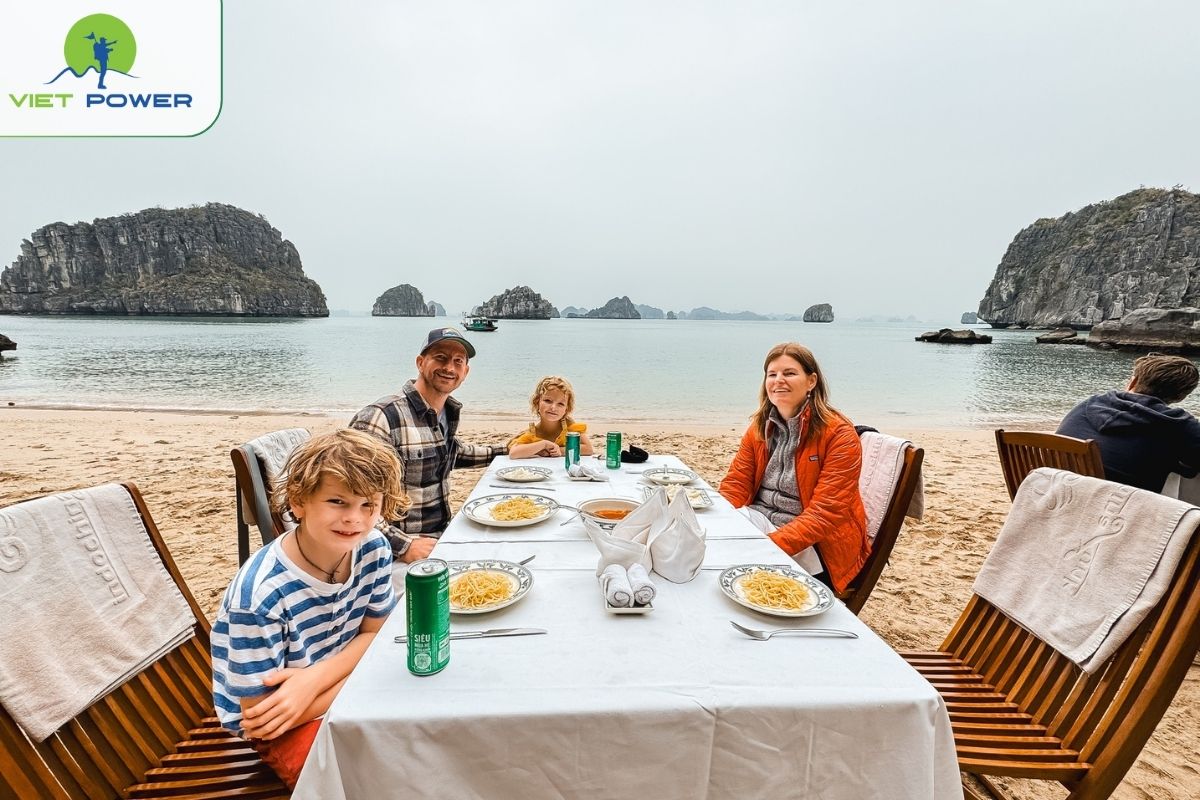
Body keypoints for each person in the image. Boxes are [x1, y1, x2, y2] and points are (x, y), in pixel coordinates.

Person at [211, 429, 409, 789]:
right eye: (338, 502)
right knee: (361, 783)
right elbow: (260, 719)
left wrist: (313, 681)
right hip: (283, 725)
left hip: (319, 689)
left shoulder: (374, 548)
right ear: (299, 502)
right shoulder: (260, 599)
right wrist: (359, 675)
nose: (355, 519)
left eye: (369, 505)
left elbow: (374, 633)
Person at [719, 342, 868, 593]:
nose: (779, 381)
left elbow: (825, 514)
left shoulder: (838, 434)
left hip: (813, 545)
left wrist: (765, 547)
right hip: (760, 524)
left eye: (789, 373)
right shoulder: (759, 428)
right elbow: (736, 484)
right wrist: (718, 521)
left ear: (811, 381)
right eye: (772, 374)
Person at [350, 327, 505, 561]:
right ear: (420, 362)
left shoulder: (443, 414)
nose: (449, 368)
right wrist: (402, 546)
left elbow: (455, 453)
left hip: (442, 536)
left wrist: (512, 451)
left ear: (466, 372)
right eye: (440, 358)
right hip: (397, 553)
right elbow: (352, 499)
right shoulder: (382, 417)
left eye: (458, 361)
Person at [1056, 353, 1200, 492]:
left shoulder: (1090, 403)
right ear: (1181, 396)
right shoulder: (1179, 424)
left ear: (1133, 382)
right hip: (1119, 507)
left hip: (1056, 493)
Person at [507, 375, 595, 458]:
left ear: (566, 409)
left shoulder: (568, 426)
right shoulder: (533, 433)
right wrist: (543, 445)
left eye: (560, 404)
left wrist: (559, 450)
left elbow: (588, 449)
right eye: (548, 401)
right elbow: (513, 453)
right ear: (537, 402)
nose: (553, 408)